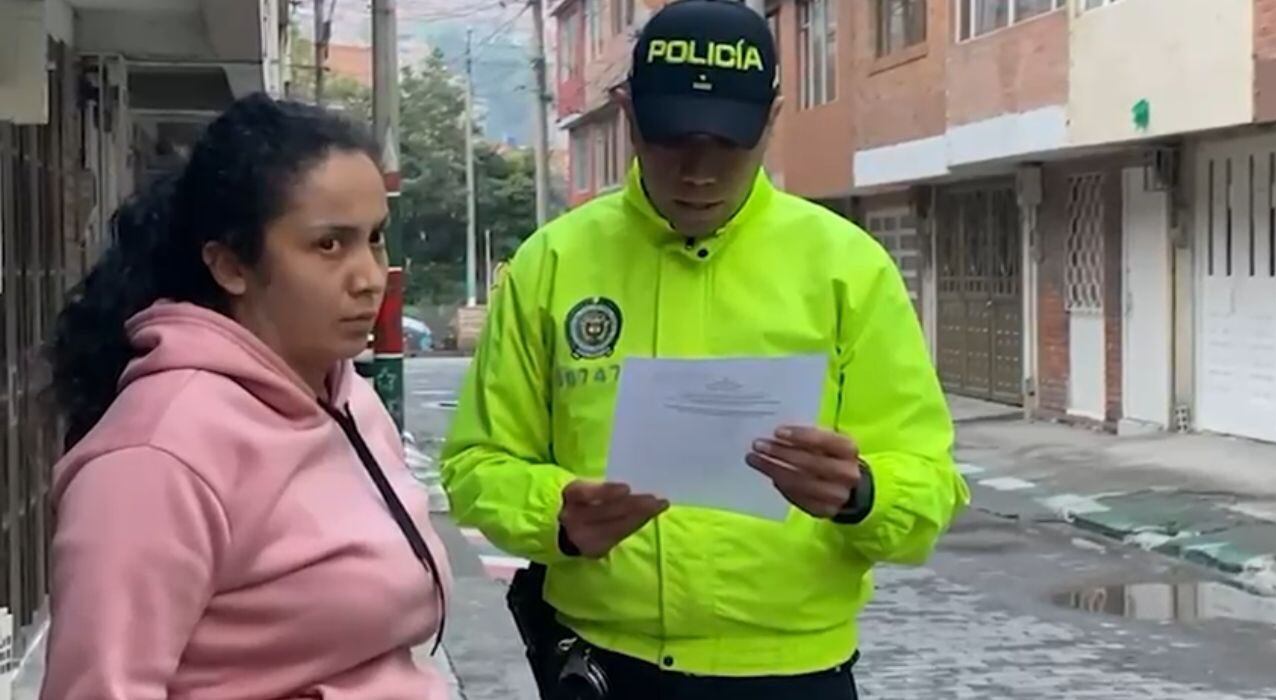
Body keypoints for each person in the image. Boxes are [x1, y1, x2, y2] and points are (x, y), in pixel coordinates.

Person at [442, 0, 969, 698]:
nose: (697, 171)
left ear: (772, 119)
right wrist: (556, 513)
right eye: (670, 141)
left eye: (727, 145)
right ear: (627, 113)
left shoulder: (848, 268)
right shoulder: (553, 265)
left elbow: (932, 485)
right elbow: (476, 464)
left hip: (794, 675)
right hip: (606, 667)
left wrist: (862, 494)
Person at [42, 94, 451, 699]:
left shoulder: (346, 399)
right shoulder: (157, 457)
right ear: (231, 266)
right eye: (329, 245)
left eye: (376, 239)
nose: (369, 276)